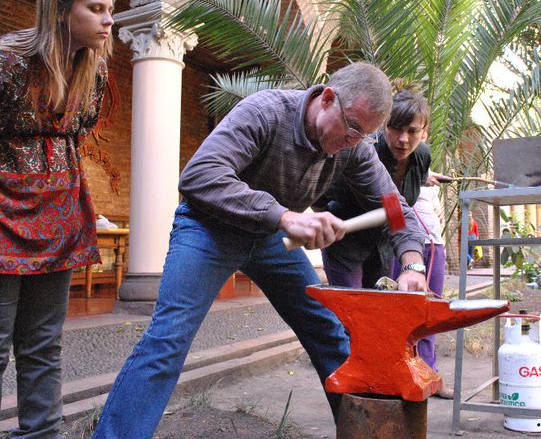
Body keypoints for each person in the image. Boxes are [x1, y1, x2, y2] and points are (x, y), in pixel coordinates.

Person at [92, 62, 428, 438]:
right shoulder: (265, 112)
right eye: (352, 129)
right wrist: (284, 216)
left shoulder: (354, 149)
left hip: (269, 239)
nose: (353, 142)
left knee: (330, 334)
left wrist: (412, 263)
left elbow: (394, 207)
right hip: (209, 229)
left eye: (364, 136)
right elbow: (199, 175)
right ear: (327, 99)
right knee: (167, 341)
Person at [0, 0, 115, 438]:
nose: (108, 20)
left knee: (43, 344)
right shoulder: (6, 60)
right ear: (61, 10)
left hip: (59, 213)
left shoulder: (94, 71)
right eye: (95, 8)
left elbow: (78, 133)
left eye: (110, 10)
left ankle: (42, 434)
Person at [317, 89, 441, 289]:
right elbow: (320, 195)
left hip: (384, 247)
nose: (403, 139)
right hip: (345, 245)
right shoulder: (363, 152)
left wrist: (412, 261)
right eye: (396, 128)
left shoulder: (422, 157)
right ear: (384, 124)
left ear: (424, 131)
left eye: (412, 131)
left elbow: (398, 210)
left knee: (380, 302)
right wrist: (323, 226)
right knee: (349, 305)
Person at [391, 163, 454, 398]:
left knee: (430, 313)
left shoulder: (425, 164)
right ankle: (400, 377)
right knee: (401, 314)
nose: (405, 143)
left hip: (434, 244)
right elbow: (387, 195)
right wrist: (418, 176)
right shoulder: (388, 161)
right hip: (403, 248)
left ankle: (428, 373)